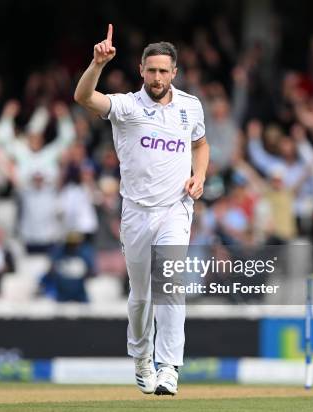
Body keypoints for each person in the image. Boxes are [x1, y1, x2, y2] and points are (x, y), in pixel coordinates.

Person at [74, 25, 209, 396]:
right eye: (151, 71)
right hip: (135, 211)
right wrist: (97, 63)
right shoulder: (127, 106)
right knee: (141, 296)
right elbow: (83, 96)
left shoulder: (190, 107)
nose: (157, 77)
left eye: (164, 71)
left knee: (170, 287)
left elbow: (200, 145)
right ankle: (141, 358)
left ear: (175, 73)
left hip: (176, 209)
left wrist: (199, 177)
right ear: (141, 70)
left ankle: (169, 368)